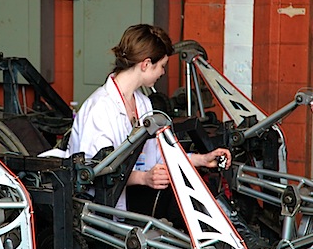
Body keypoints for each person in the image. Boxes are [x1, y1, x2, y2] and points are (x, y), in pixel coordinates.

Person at [67, 24, 231, 223]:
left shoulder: (143, 103)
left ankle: (230, 233)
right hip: (102, 204)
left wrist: (203, 159)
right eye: (162, 66)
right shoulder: (100, 108)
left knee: (189, 186)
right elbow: (95, 172)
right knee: (180, 196)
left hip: (129, 195)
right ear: (145, 64)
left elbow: (159, 155)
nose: (163, 73)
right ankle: (230, 237)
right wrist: (144, 178)